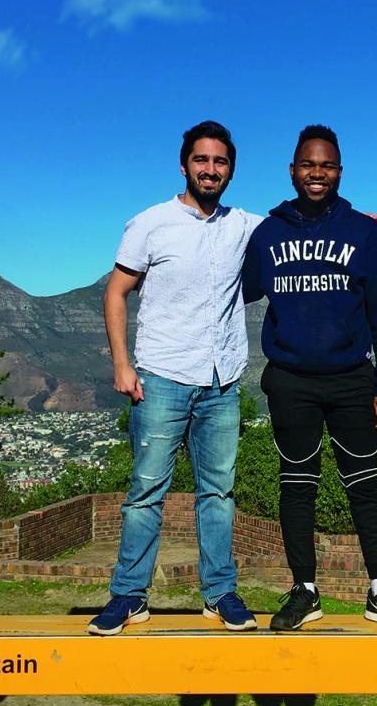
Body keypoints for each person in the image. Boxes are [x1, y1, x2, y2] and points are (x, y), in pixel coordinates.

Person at [242, 125, 377, 634]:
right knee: (296, 486)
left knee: (366, 486)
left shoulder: (365, 233)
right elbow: (240, 285)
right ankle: (304, 591)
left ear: (339, 172)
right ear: (292, 170)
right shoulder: (269, 233)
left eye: (326, 166)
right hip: (290, 382)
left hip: (352, 381)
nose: (316, 173)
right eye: (308, 165)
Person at [88, 120, 261, 635]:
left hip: (222, 380)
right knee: (145, 491)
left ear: (230, 169)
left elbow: (301, 224)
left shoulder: (243, 225)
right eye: (202, 160)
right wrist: (121, 364)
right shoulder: (150, 223)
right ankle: (128, 596)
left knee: (219, 493)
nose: (211, 169)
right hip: (162, 376)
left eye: (221, 161)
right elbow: (115, 292)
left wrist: (360, 222)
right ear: (184, 164)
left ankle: (220, 593)